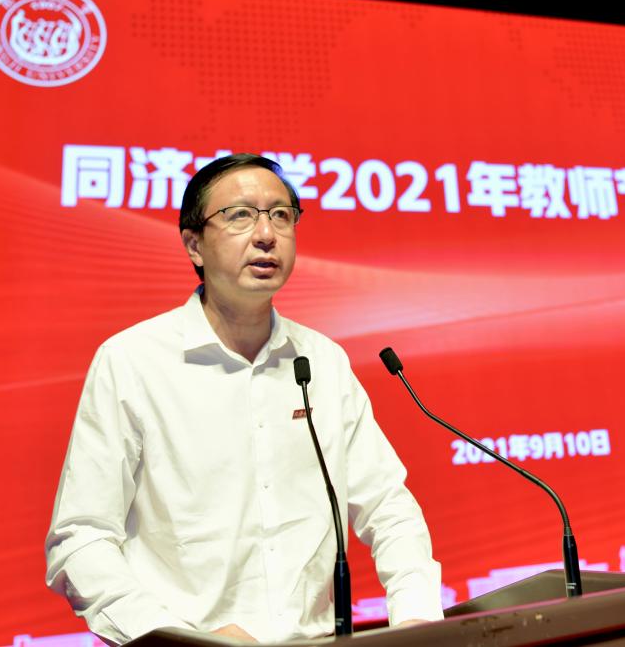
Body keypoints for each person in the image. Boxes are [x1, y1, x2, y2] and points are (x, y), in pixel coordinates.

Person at [45, 154, 443, 645]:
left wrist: (417, 619)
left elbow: (388, 507)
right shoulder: (133, 361)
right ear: (194, 245)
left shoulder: (322, 360)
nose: (266, 234)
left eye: (281, 215)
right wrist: (174, 638)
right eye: (240, 216)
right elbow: (81, 537)